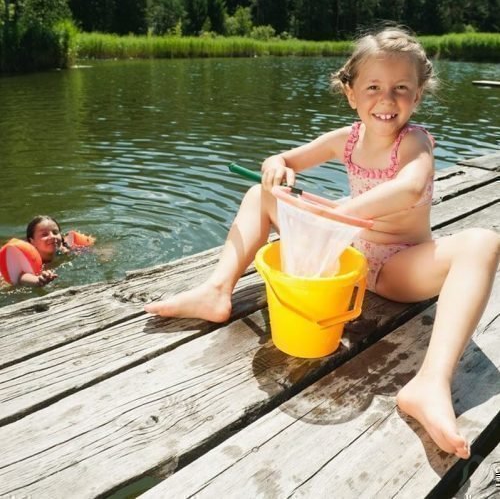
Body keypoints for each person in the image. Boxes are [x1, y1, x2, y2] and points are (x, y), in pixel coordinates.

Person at [145, 27, 500, 459]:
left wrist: (343, 211)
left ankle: (430, 383)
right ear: (351, 93)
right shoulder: (346, 140)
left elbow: (409, 188)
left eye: (401, 89)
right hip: (346, 258)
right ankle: (218, 291)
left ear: (419, 95)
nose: (386, 101)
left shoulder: (415, 142)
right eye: (373, 87)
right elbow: (282, 160)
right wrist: (276, 168)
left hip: (398, 268)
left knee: (482, 242)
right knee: (261, 194)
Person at [18, 215, 70, 287]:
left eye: (55, 232)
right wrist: (38, 280)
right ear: (32, 241)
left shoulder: (64, 251)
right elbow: (20, 276)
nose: (52, 236)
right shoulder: (27, 260)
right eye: (44, 234)